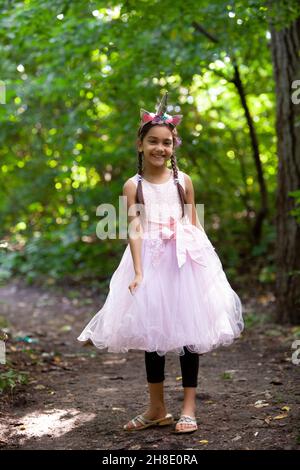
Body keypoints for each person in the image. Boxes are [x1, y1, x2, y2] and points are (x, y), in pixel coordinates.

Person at [77, 92, 244, 434]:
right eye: (153, 141)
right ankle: (156, 407)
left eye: (166, 143)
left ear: (174, 147)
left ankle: (188, 407)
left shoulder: (184, 181)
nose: (160, 148)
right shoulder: (132, 186)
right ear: (140, 145)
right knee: (153, 333)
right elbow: (135, 229)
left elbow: (194, 223)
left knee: (187, 333)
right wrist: (138, 271)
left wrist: (207, 264)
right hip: (151, 261)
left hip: (184, 262)